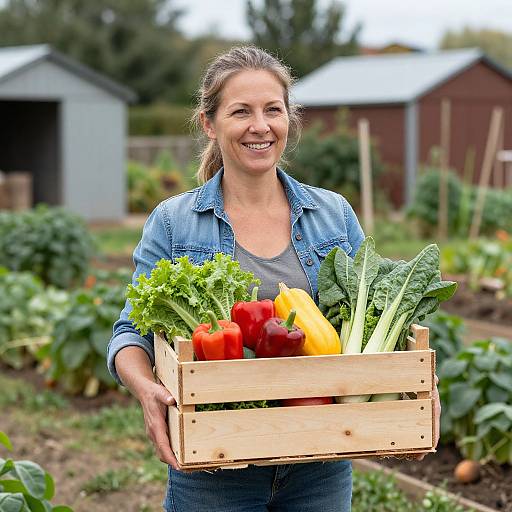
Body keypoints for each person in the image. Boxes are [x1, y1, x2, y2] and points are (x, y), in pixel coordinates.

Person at [107, 46, 440, 512]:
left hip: (321, 460)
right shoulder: (173, 221)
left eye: (273, 110)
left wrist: (418, 382)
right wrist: (146, 389)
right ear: (210, 123)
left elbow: (382, 324)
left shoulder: (332, 214)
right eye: (240, 111)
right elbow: (130, 334)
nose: (259, 126)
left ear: (289, 119)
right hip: (216, 463)